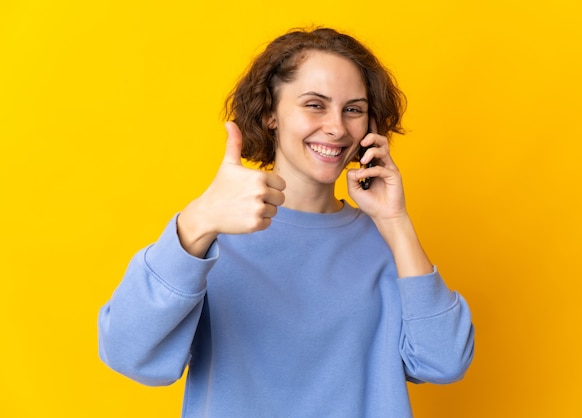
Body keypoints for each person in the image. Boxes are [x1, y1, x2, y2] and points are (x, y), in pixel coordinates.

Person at [98, 27, 474, 418]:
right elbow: (129, 353)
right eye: (315, 105)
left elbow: (443, 362)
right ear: (269, 114)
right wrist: (196, 221)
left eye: (353, 109)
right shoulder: (209, 235)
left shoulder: (387, 242)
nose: (337, 127)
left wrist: (396, 222)